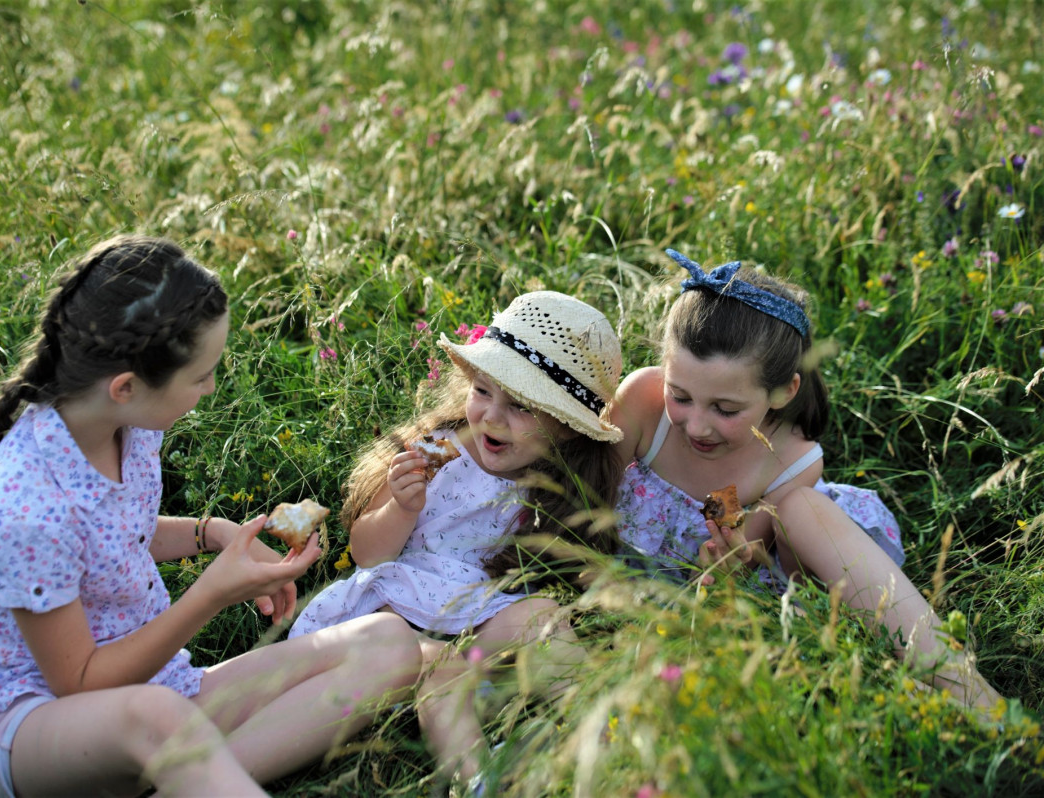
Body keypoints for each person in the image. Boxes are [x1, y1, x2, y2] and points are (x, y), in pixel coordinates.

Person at [0, 235, 422, 798]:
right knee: (156, 715)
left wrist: (212, 534)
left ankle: (194, 780)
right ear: (126, 387)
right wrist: (209, 595)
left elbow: (116, 539)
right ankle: (197, 772)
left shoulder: (129, 430)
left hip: (161, 698)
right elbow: (80, 682)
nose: (211, 387)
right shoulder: (25, 508)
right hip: (36, 727)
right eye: (200, 375)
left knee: (388, 641)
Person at [612, 248, 1000, 709]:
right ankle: (896, 687)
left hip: (753, 584)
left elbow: (740, 560)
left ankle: (973, 696)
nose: (696, 426)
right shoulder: (644, 402)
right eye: (681, 396)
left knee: (804, 507)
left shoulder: (789, 458)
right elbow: (586, 491)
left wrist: (730, 557)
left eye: (725, 409)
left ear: (783, 392)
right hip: (633, 588)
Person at [289, 291, 625, 787]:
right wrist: (402, 507)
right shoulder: (433, 453)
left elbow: (572, 576)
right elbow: (366, 554)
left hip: (483, 628)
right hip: (399, 623)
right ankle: (477, 778)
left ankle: (607, 731)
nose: (491, 416)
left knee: (541, 619)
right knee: (443, 675)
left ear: (569, 429)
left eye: (521, 408)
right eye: (483, 391)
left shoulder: (561, 488)